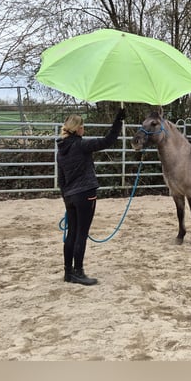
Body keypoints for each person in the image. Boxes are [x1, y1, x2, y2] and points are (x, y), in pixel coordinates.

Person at [56, 107, 126, 285]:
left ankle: (68, 272)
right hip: (85, 193)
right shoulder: (81, 145)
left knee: (72, 233)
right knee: (81, 234)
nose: (84, 129)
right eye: (83, 126)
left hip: (70, 196)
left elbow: (61, 179)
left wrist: (66, 198)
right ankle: (78, 272)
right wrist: (118, 121)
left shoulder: (61, 150)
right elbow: (108, 141)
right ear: (78, 128)